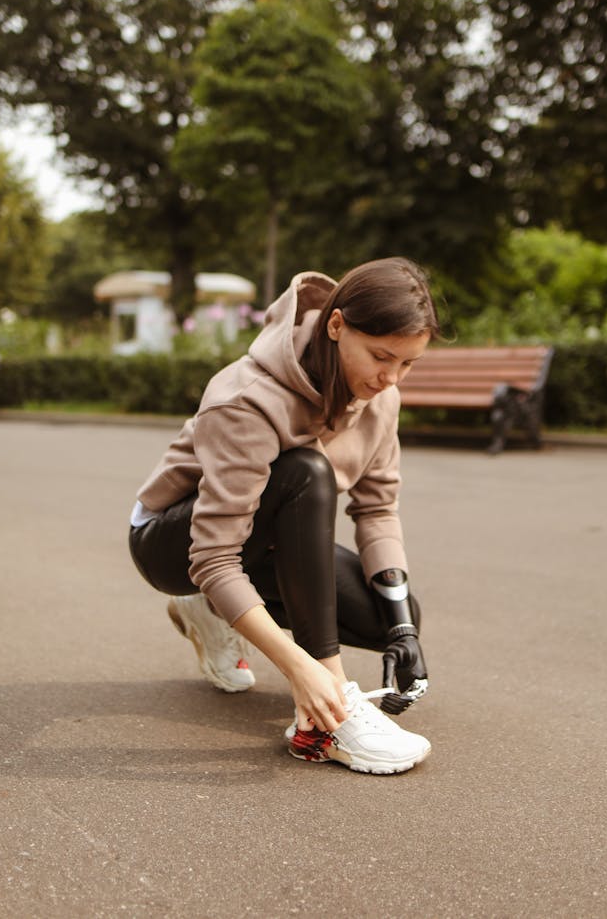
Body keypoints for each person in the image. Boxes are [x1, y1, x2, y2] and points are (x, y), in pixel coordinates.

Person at [129, 257, 439, 774]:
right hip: (173, 544)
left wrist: (403, 628)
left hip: (265, 541)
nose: (391, 378)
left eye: (407, 364)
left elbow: (378, 507)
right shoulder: (246, 398)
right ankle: (328, 713)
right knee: (305, 471)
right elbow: (213, 555)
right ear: (336, 325)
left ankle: (214, 612)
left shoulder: (382, 398)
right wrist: (305, 670)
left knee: (386, 615)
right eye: (382, 356)